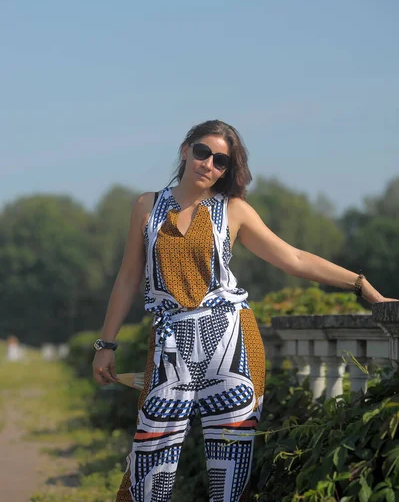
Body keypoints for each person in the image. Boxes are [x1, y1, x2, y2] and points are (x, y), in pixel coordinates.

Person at [92, 119, 397, 502]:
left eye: (221, 161)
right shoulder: (147, 206)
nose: (208, 164)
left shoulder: (232, 209)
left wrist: (361, 285)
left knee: (230, 470)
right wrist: (107, 343)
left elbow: (294, 258)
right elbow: (128, 276)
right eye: (203, 152)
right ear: (185, 150)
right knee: (150, 459)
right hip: (171, 345)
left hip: (232, 345)